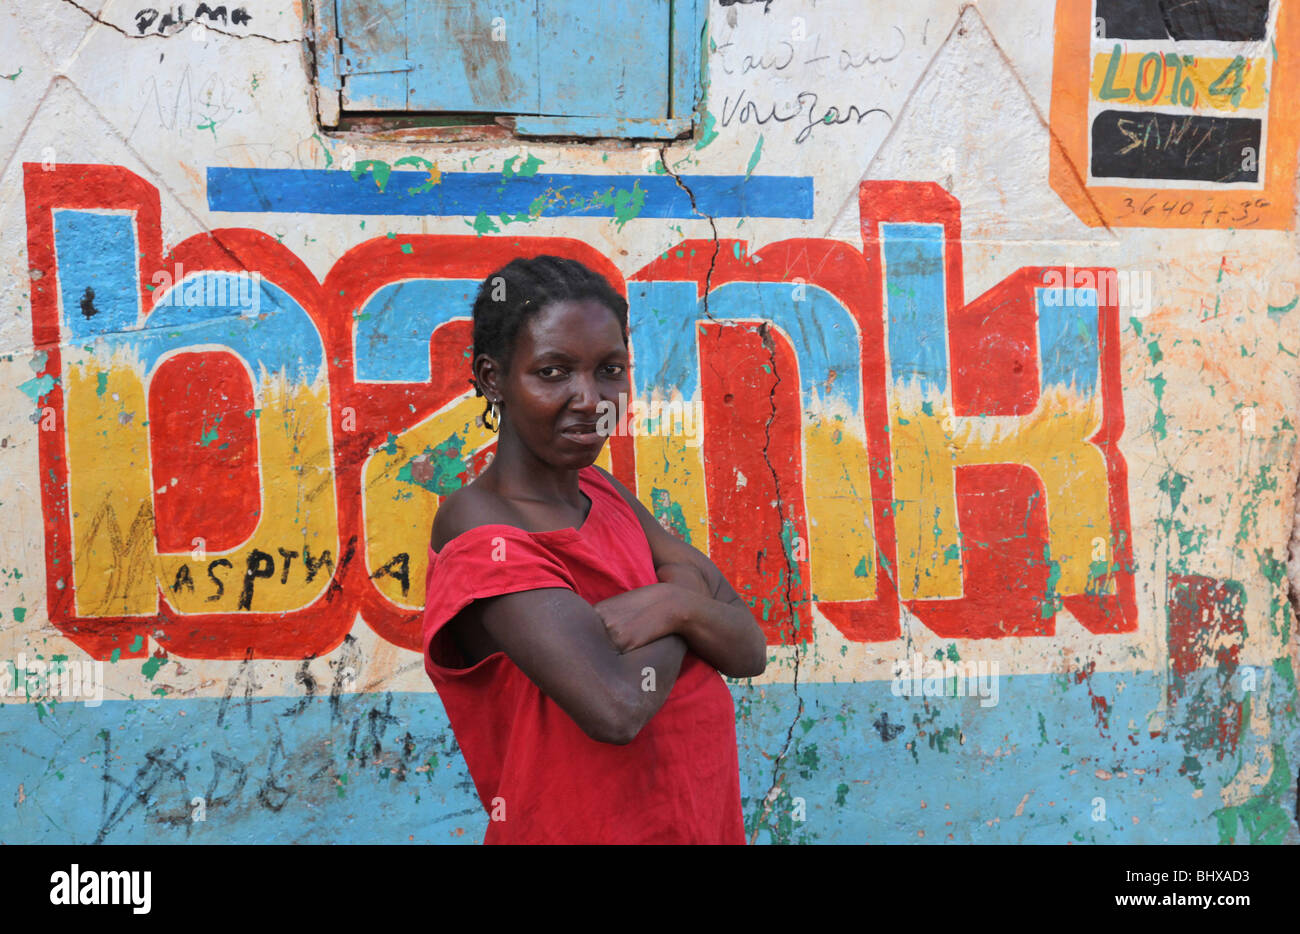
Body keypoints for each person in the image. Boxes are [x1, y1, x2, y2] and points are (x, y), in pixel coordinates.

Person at [421, 254, 768, 844]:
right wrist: (688, 601)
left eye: (610, 369)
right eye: (553, 372)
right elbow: (616, 707)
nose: (591, 398)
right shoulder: (482, 529)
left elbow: (749, 649)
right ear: (491, 378)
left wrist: (668, 607)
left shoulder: (601, 492)